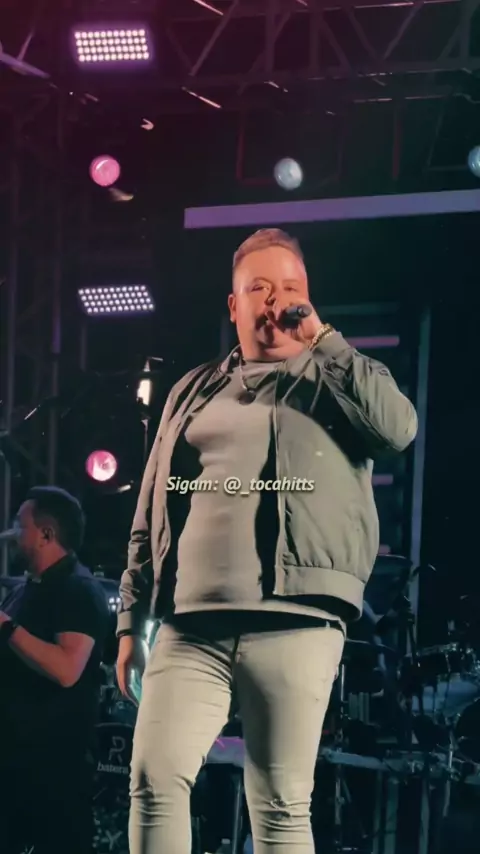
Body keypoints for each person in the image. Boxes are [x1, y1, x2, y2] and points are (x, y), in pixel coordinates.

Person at [116, 228, 418, 854]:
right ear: (234, 306)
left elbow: (398, 430)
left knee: (280, 805)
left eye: (290, 286)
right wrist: (130, 620)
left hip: (297, 619)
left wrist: (323, 340)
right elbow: (151, 511)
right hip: (189, 624)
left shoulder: (336, 377)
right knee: (152, 780)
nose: (276, 299)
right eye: (258, 287)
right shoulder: (192, 390)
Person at [0, 486, 110, 854]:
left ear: (46, 535)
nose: (11, 533)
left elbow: (66, 669)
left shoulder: (78, 589)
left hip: (53, 771)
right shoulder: (24, 590)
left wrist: (5, 626)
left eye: (21, 525)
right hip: (14, 763)